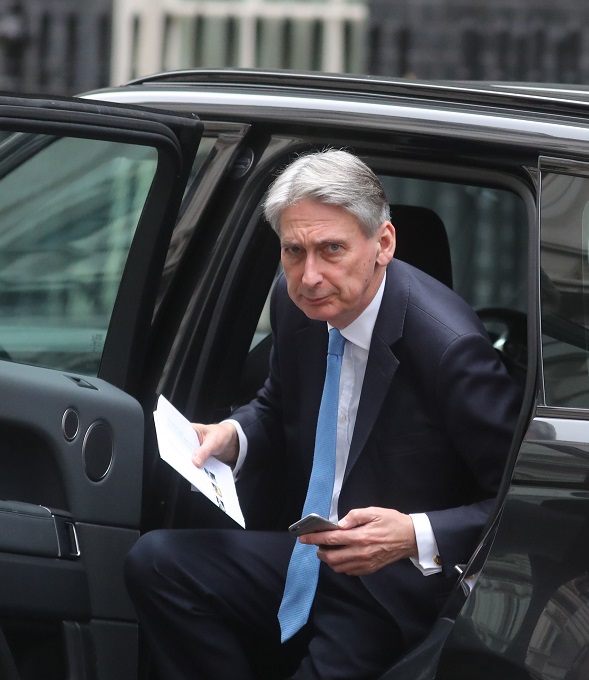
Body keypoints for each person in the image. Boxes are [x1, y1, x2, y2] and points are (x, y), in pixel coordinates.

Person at [125, 149, 521, 679]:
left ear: (383, 244)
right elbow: (278, 403)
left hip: (389, 586)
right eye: (294, 251)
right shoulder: (296, 304)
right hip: (309, 556)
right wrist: (233, 435)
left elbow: (518, 503)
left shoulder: (448, 346)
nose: (309, 275)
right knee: (158, 564)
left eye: (331, 250)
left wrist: (411, 533)